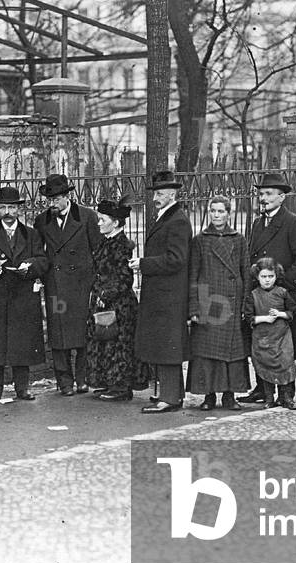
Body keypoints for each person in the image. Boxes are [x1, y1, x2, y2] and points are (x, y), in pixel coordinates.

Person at [238, 172, 296, 404]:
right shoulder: (257, 223)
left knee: (283, 345)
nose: (263, 198)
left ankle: (286, 393)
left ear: (282, 197)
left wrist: (284, 284)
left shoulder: (292, 222)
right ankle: (262, 388)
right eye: (261, 194)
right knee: (260, 342)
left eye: (269, 194)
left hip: (281, 297)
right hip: (259, 296)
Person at [0, 186, 49, 404]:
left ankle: (22, 389)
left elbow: (43, 261)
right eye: (3, 207)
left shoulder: (31, 234)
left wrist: (29, 266)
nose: (7, 212)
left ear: (18, 210)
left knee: (21, 345)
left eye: (11, 207)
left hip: (22, 297)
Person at [33, 173, 102, 396]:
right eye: (48, 200)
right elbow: (38, 253)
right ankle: (64, 381)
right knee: (58, 335)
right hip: (56, 285)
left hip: (82, 284)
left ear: (66, 197)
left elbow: (98, 250)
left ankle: (82, 378)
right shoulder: (41, 221)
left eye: (55, 199)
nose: (51, 204)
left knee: (82, 333)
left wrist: (97, 282)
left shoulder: (87, 217)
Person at [130, 171, 192, 414]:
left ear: (172, 194)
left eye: (159, 194)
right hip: (164, 294)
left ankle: (170, 397)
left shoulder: (176, 220)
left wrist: (144, 264)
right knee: (165, 345)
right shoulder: (168, 217)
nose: (154, 198)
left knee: (168, 347)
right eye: (154, 193)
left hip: (169, 295)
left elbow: (176, 259)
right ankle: (171, 394)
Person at [186, 195, 249, 411]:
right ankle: (209, 395)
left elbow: (245, 273)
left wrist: (245, 305)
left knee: (232, 351)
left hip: (231, 302)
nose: (216, 215)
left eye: (221, 211)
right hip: (209, 302)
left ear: (229, 214)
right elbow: (193, 275)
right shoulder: (200, 240)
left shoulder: (238, 239)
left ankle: (230, 395)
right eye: (213, 211)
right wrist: (194, 307)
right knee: (207, 351)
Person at [87, 198, 144, 401]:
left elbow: (125, 278)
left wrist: (105, 294)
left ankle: (121, 387)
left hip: (119, 305)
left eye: (102, 220)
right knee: (105, 342)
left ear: (116, 223)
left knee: (118, 345)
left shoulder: (121, 245)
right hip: (105, 303)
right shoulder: (106, 242)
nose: (99, 223)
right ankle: (110, 383)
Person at [243, 257, 296, 409]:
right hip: (263, 337)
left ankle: (286, 397)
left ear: (276, 276)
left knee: (286, 364)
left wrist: (280, 314)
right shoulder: (253, 295)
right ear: (257, 277)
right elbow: (248, 317)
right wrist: (264, 319)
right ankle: (269, 398)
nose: (267, 280)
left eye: (270, 276)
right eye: (263, 277)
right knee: (265, 365)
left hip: (282, 337)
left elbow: (292, 312)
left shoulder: (282, 292)